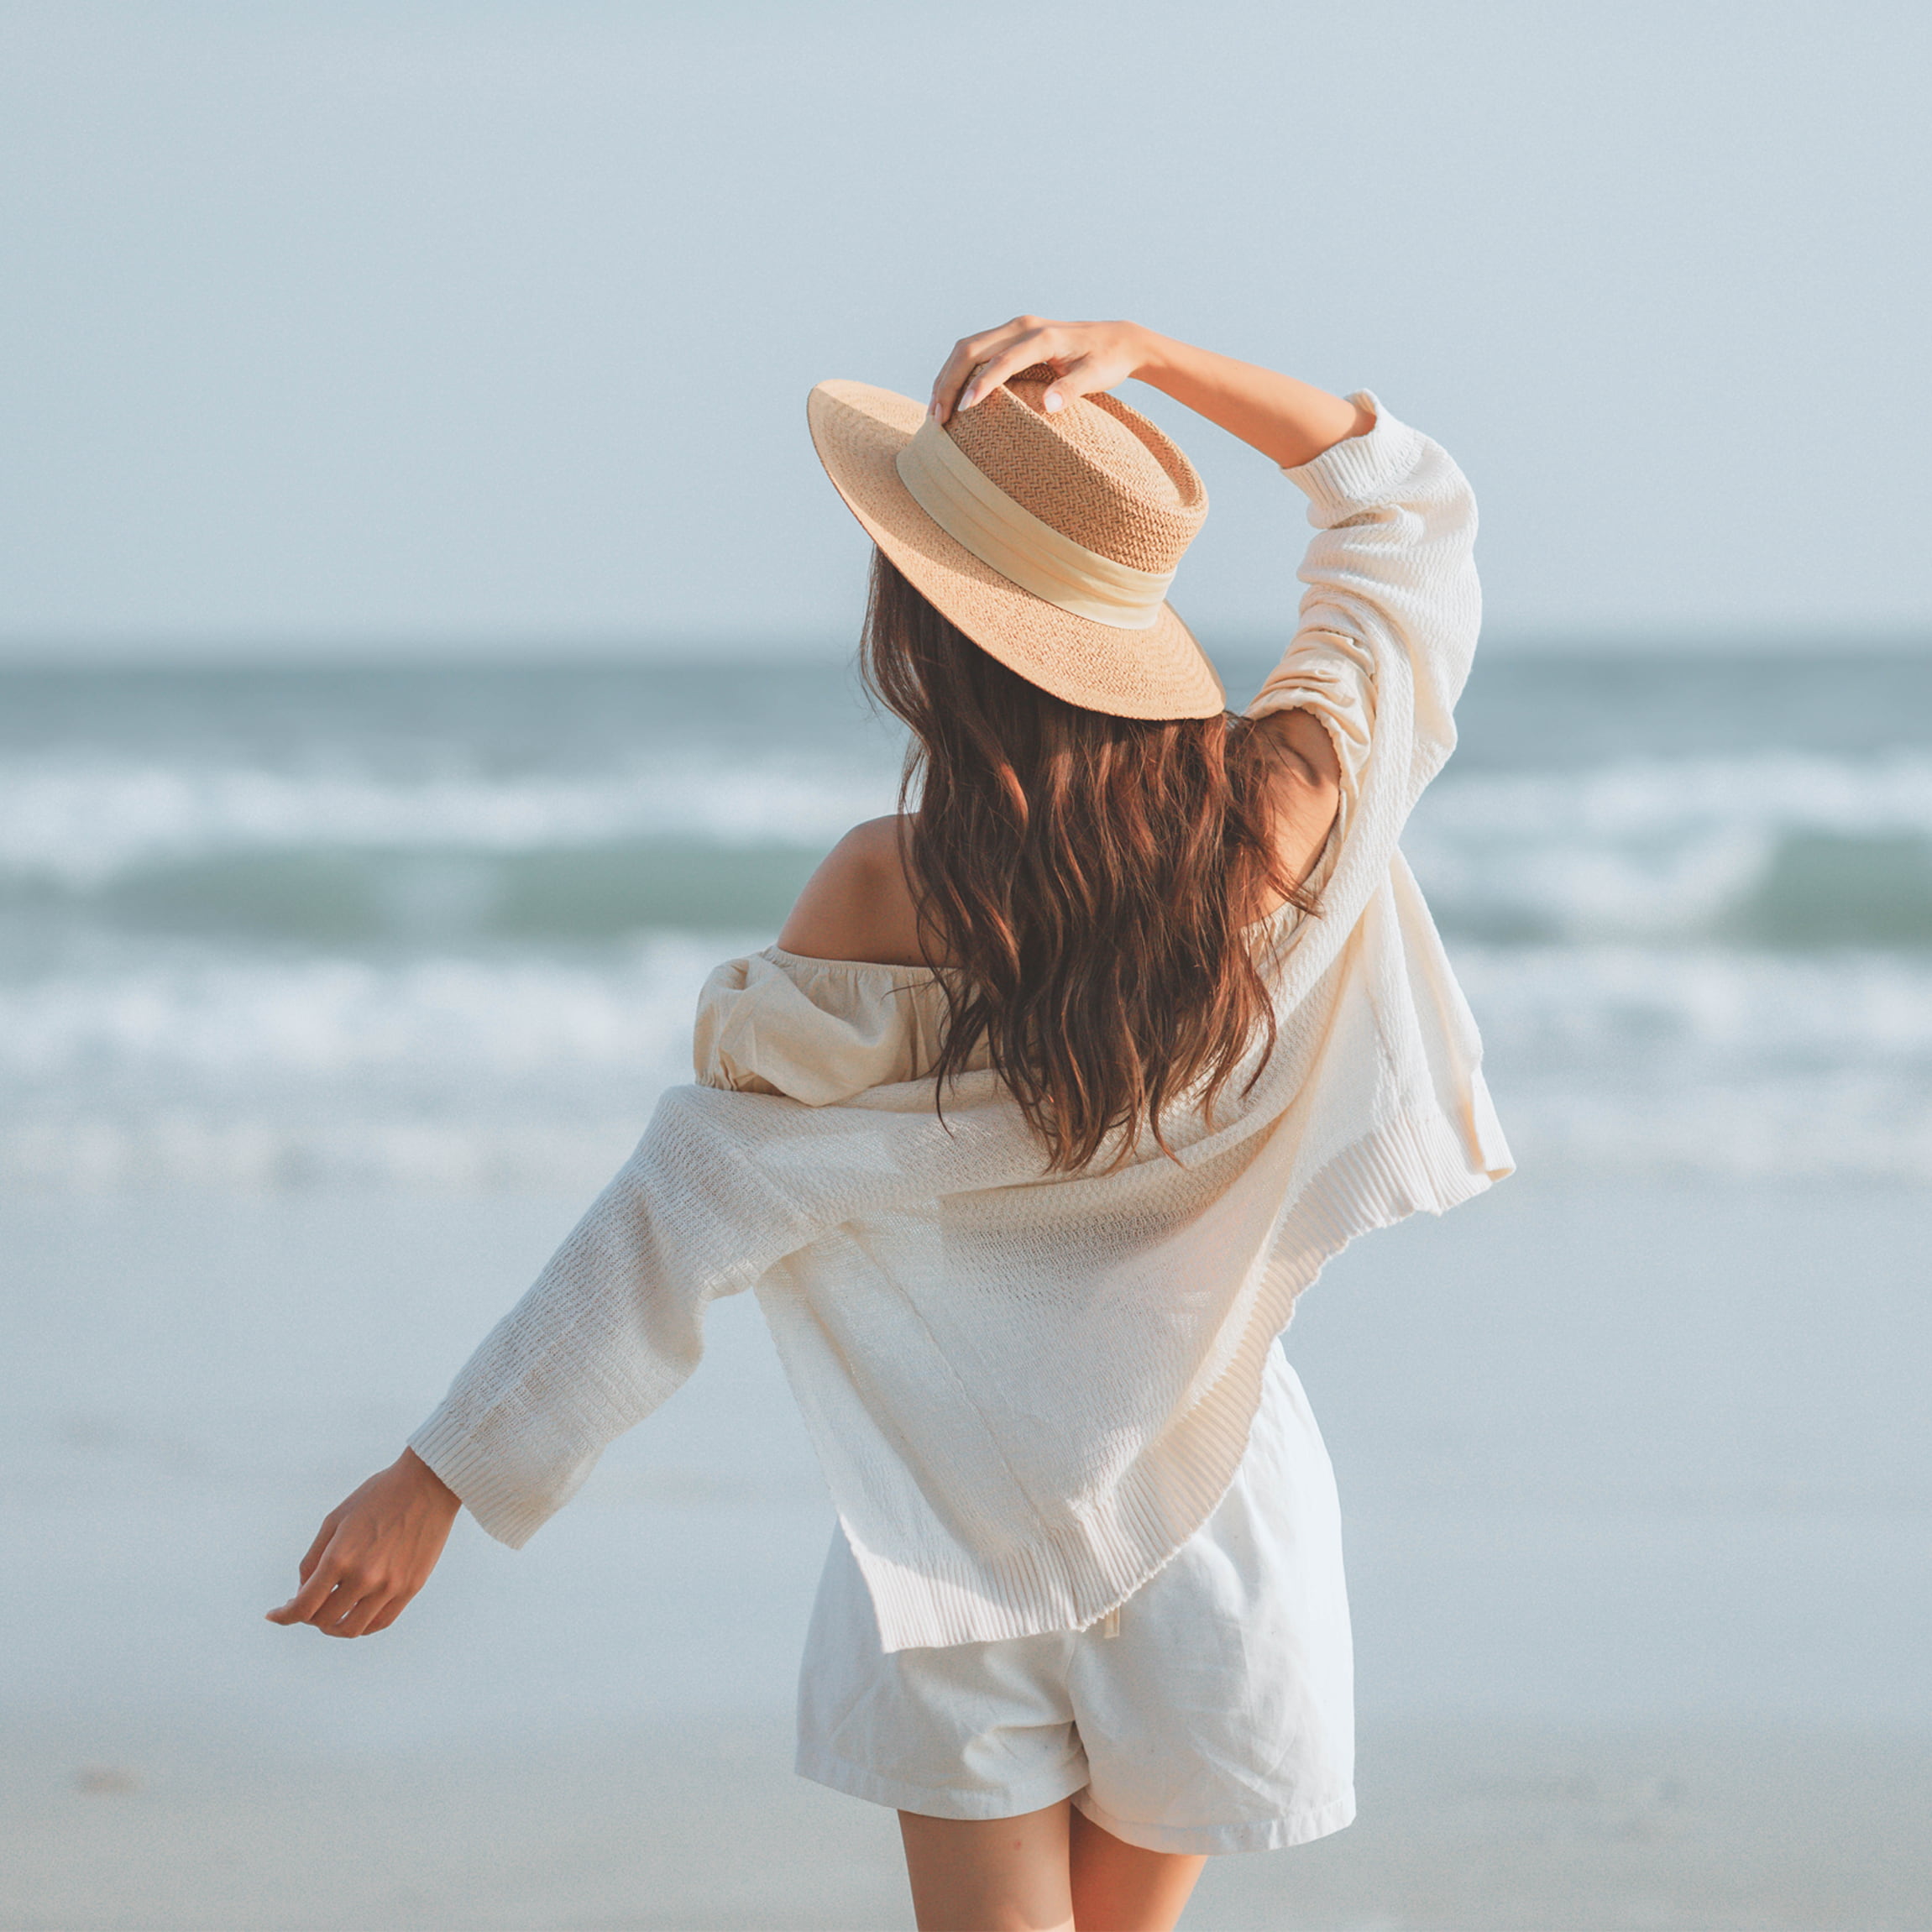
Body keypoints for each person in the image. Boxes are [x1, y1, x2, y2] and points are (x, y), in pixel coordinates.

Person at [268, 317, 1512, 1932]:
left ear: (924, 615)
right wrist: (1152, 357)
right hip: (1213, 1497)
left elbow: (689, 1205)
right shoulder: (1289, 806)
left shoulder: (884, 883)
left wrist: (439, 1475)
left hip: (948, 1524)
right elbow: (1402, 511)